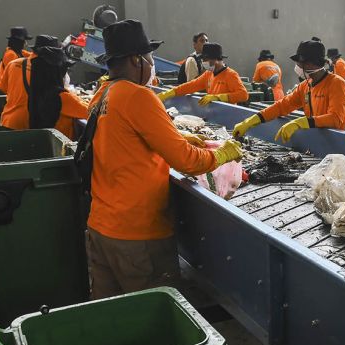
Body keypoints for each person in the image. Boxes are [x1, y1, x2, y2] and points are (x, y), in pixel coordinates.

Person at [86, 20, 242, 299]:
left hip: (101, 227)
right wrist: (220, 154)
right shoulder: (138, 96)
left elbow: (129, 142)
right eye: (148, 57)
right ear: (137, 59)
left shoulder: (103, 95)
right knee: (152, 325)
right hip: (137, 236)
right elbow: (187, 162)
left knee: (110, 319)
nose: (151, 63)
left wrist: (179, 137)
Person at [232, 40, 345, 143]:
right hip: (318, 140)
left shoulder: (336, 83)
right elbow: (282, 106)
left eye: (299, 63)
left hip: (340, 142)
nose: (297, 66)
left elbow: (335, 119)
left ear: (309, 64)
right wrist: (250, 121)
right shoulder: (305, 86)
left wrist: (300, 123)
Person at [0, 35, 60, 130]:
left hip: (8, 121)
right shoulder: (48, 70)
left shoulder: (13, 64)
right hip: (29, 124)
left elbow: (3, 88)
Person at [28, 46, 88, 140]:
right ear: (56, 72)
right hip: (59, 147)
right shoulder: (61, 96)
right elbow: (88, 112)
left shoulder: (39, 90)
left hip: (43, 142)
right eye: (64, 69)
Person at [158, 43, 248, 106]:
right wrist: (170, 93)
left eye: (205, 59)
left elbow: (243, 95)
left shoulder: (231, 75)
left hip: (228, 115)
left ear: (215, 59)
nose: (203, 62)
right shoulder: (208, 74)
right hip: (214, 112)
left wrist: (218, 97)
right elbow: (191, 85)